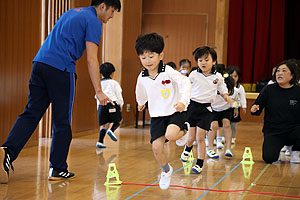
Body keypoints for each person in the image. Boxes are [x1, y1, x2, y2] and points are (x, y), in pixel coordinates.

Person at [0, 0, 121, 183]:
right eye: (112, 11)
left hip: (40, 64)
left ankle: (6, 153)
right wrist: (99, 91)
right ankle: (57, 168)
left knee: (31, 113)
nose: (112, 16)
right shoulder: (94, 21)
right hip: (61, 70)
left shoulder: (72, 12)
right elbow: (91, 59)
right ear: (103, 6)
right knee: (62, 121)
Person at [135, 33, 191, 190]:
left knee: (171, 135)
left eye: (151, 56)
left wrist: (183, 101)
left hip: (175, 111)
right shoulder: (142, 76)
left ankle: (184, 131)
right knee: (156, 147)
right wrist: (141, 103)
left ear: (161, 55)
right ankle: (166, 171)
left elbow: (185, 82)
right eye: (143, 57)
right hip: (157, 116)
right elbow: (140, 91)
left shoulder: (168, 71)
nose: (147, 60)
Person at [180, 46, 234, 174]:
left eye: (206, 60)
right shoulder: (194, 74)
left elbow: (222, 87)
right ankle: (187, 149)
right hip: (192, 106)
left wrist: (226, 95)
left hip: (206, 109)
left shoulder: (218, 76)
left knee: (200, 137)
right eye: (200, 60)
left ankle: (199, 163)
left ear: (214, 61)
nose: (203, 63)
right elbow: (186, 87)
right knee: (191, 136)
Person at [250, 59, 300, 164]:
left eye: (284, 71)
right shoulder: (269, 89)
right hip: (274, 130)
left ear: (292, 75)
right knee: (269, 158)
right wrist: (254, 109)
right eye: (278, 71)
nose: (280, 73)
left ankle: (295, 149)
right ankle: (277, 148)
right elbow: (257, 107)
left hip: (294, 130)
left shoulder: (298, 91)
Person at [207, 75, 237, 159]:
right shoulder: (214, 91)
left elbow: (235, 102)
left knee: (227, 124)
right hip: (214, 109)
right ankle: (210, 148)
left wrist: (235, 107)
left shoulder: (234, 92)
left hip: (226, 109)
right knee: (214, 125)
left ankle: (228, 149)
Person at [95, 62, 123, 148]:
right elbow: (119, 94)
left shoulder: (99, 84)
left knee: (104, 125)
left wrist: (99, 108)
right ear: (112, 73)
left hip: (101, 105)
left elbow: (97, 96)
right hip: (112, 104)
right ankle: (112, 130)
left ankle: (100, 141)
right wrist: (120, 105)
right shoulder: (114, 83)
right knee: (118, 120)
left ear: (101, 73)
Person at [224, 65, 247, 144]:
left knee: (233, 124)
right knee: (225, 123)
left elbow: (242, 97)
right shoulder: (223, 86)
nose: (233, 78)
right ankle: (224, 137)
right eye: (231, 76)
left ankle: (233, 137)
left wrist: (243, 107)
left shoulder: (240, 88)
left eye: (235, 76)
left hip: (235, 108)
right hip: (225, 108)